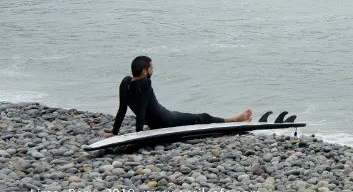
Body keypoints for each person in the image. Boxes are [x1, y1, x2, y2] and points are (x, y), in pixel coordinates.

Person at [101, 56, 251, 137]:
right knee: (201, 117)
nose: (154, 69)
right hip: (166, 120)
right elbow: (141, 110)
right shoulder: (145, 83)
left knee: (191, 117)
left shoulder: (125, 82)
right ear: (145, 71)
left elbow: (122, 109)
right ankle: (231, 120)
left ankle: (231, 120)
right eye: (152, 67)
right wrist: (139, 135)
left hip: (160, 119)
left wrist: (115, 132)